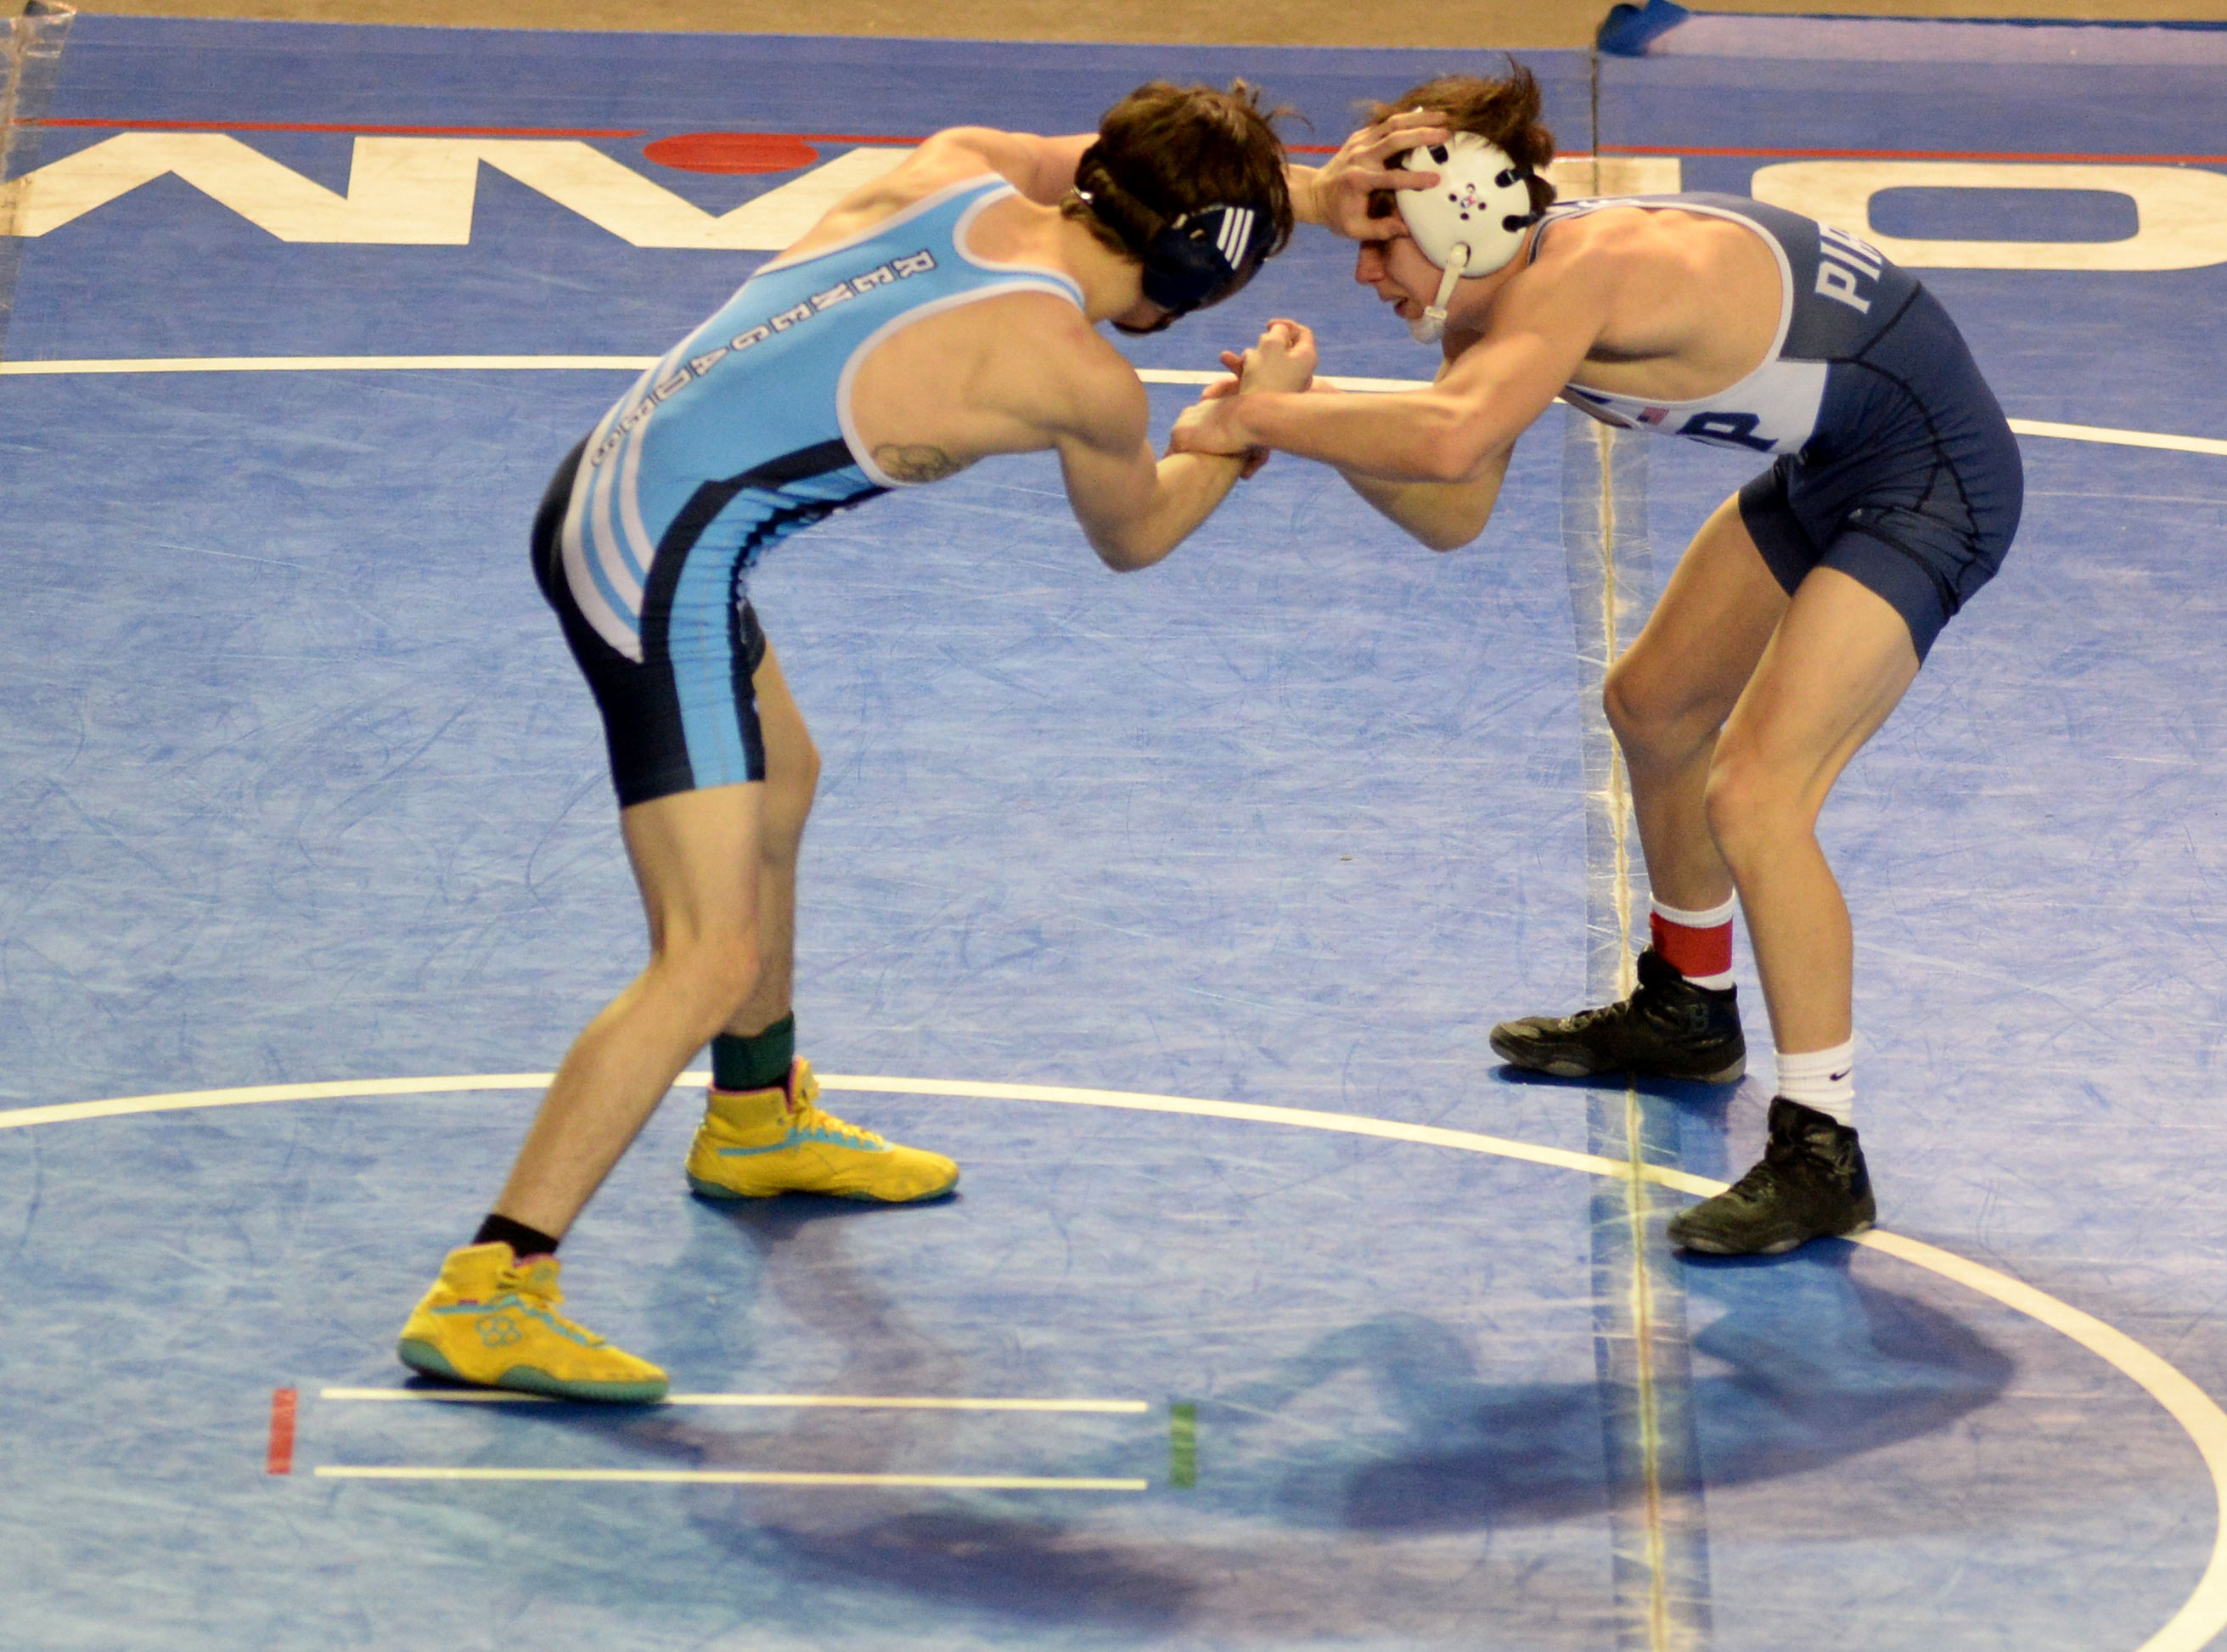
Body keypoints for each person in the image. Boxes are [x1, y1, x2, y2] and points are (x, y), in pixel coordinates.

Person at [397, 81, 1324, 1402]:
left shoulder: (952, 170)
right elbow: (1136, 536)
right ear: (1190, 281)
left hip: (620, 495)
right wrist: (1239, 431)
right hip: (652, 567)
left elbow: (1081, 154)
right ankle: (493, 1282)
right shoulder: (1082, 376)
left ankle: (757, 1117)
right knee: (703, 953)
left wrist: (1296, 182)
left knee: (788, 773)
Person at [1176, 67, 2024, 1257]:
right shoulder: (1494, 292)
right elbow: (1453, 505)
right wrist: (1302, 416)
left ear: (1461, 220)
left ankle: (1822, 1144)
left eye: (1382, 248)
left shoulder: (1582, 274)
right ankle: (1687, 1005)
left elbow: (1454, 436)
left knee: (1757, 796)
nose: (1368, 275)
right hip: (1844, 461)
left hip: (1930, 478)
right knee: (1654, 702)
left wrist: (1266, 418)